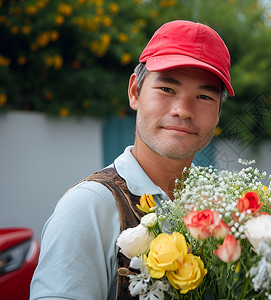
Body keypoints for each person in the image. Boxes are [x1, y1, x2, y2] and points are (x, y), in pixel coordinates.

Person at [30, 20, 234, 300]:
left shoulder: (223, 209)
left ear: (219, 112)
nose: (183, 111)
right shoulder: (90, 207)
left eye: (203, 96)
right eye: (167, 89)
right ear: (135, 92)